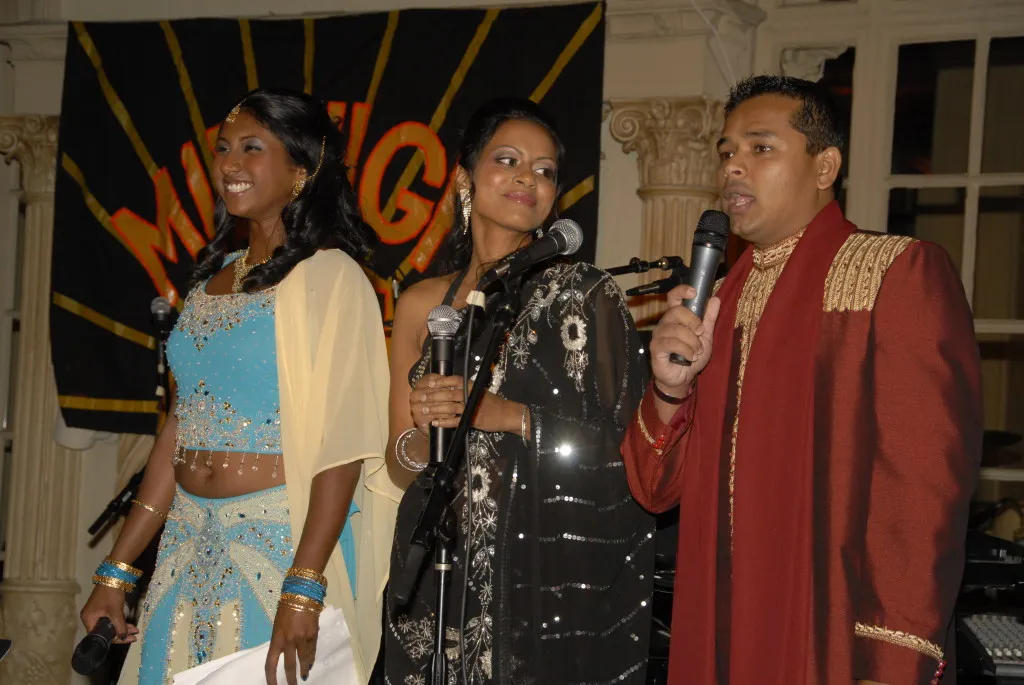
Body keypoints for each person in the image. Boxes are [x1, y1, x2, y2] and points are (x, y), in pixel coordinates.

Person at [621, 75, 983, 685]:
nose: (734, 167)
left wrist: (892, 660)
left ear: (825, 166)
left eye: (760, 148)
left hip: (832, 633)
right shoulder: (715, 301)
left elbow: (923, 489)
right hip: (720, 627)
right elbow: (655, 491)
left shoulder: (894, 271)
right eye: (727, 152)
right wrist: (669, 389)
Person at [79, 88, 401, 685]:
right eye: (224, 148)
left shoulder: (332, 277)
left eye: (252, 147)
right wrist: (117, 570)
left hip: (280, 545)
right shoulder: (209, 284)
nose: (230, 163)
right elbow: (179, 429)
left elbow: (344, 446)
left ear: (302, 170)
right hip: (186, 543)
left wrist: (304, 587)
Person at [383, 97, 655, 684]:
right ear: (465, 178)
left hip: (542, 585)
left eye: (545, 169)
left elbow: (627, 453)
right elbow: (401, 466)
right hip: (441, 574)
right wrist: (426, 433)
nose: (528, 177)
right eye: (507, 160)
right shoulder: (422, 306)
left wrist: (507, 416)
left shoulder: (585, 297)